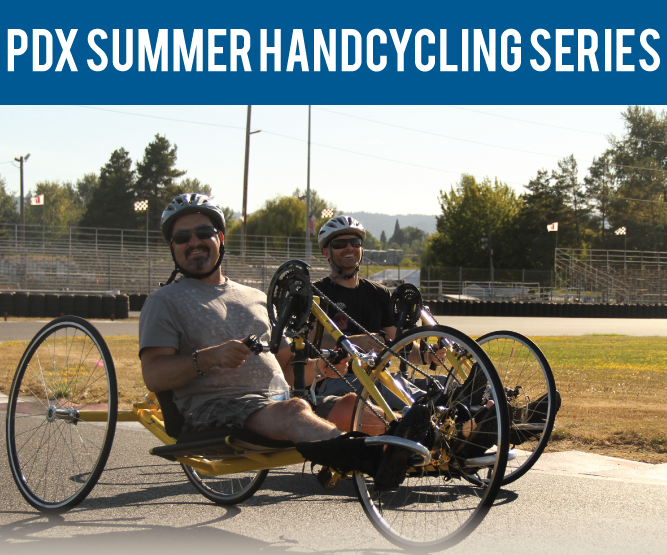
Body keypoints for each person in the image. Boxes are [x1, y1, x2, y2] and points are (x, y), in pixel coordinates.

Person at [138, 193, 422, 490]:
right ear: (172, 246)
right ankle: (371, 461)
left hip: (279, 402)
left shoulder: (255, 297)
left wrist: (320, 367)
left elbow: (286, 368)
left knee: (351, 405)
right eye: (182, 237)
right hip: (213, 409)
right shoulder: (164, 301)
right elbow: (154, 374)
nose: (194, 241)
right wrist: (208, 358)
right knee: (294, 411)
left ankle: (436, 440)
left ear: (220, 237)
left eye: (204, 233)